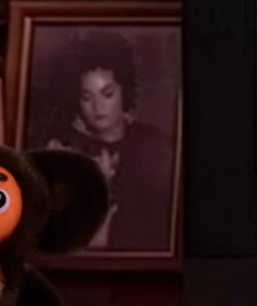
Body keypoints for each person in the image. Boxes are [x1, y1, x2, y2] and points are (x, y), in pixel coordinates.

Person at [43, 32, 174, 251]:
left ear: (125, 91)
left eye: (107, 94)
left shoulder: (154, 144)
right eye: (87, 97)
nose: (98, 107)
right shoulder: (65, 150)